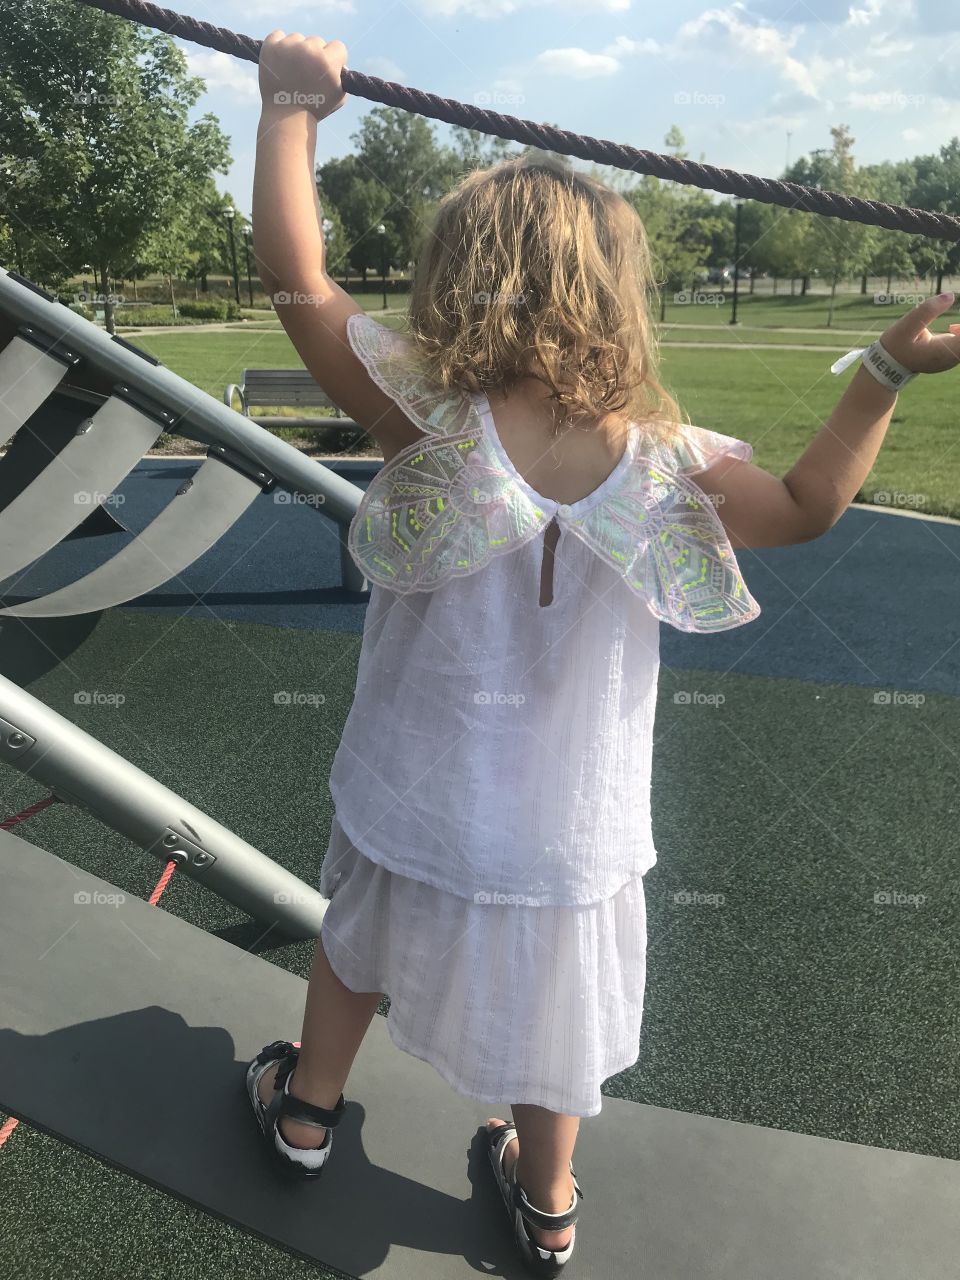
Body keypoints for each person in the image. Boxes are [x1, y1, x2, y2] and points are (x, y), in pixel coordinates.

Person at [243, 30, 960, 1276]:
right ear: (619, 294)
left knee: (358, 930)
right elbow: (807, 507)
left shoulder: (426, 411)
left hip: (414, 789)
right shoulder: (671, 464)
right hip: (568, 827)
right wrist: (884, 371)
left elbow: (295, 275)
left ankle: (306, 1111)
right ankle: (550, 1192)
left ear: (462, 277)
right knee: (554, 1006)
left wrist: (292, 109)